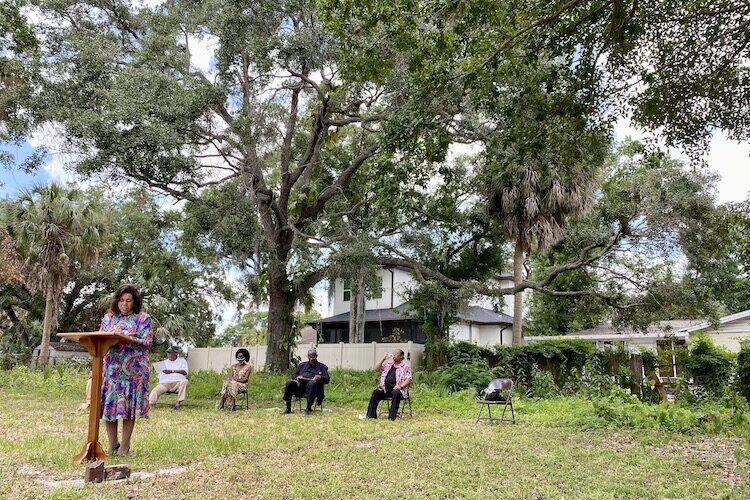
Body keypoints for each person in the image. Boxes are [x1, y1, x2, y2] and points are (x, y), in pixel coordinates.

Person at [100, 284, 153, 456]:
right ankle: (112, 444)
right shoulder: (109, 318)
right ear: (117, 301)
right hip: (112, 370)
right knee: (111, 407)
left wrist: (125, 338)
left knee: (128, 408)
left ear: (135, 302)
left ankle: (125, 445)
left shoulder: (143, 319)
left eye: (129, 301)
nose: (124, 304)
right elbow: (101, 337)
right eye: (122, 300)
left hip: (134, 371)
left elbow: (147, 341)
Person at [366, 349, 412, 420]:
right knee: (376, 392)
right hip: (384, 389)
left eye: (395, 354)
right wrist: (383, 359)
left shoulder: (405, 366)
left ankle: (391, 417)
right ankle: (370, 416)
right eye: (392, 353)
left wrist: (400, 386)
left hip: (398, 390)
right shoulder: (388, 364)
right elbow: (376, 369)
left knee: (396, 393)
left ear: (401, 356)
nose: (393, 355)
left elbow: (408, 380)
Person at [282, 348, 330, 415]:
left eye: (313, 357)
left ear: (316, 356)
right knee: (289, 383)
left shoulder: (322, 367)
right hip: (300, 387)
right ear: (308, 356)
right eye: (310, 357)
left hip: (314, 389)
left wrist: (320, 377)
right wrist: (297, 377)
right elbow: (294, 375)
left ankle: (308, 408)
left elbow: (327, 379)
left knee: (311, 383)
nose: (312, 359)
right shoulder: (302, 365)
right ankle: (288, 408)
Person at [149, 346, 189, 410]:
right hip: (165, 383)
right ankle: (151, 404)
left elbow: (185, 372)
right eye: (168, 353)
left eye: (170, 353)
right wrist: (160, 377)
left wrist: (172, 371)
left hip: (177, 383)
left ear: (176, 353)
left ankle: (178, 403)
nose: (169, 354)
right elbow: (159, 375)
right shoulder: (164, 362)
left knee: (185, 381)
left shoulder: (182, 361)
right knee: (155, 390)